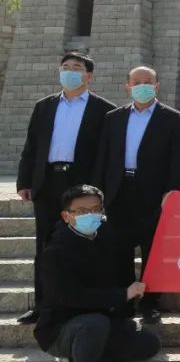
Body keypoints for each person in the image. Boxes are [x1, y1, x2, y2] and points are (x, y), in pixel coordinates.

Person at [16, 52, 115, 325]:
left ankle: (82, 303)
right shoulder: (44, 106)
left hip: (82, 184)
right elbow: (32, 146)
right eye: (65, 67)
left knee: (84, 243)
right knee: (45, 245)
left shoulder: (104, 109)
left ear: (88, 76)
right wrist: (25, 182)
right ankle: (42, 305)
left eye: (77, 67)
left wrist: (97, 189)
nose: (70, 71)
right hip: (48, 182)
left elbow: (105, 153)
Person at [34, 185, 160, 362]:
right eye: (82, 211)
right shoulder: (56, 252)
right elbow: (70, 297)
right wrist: (122, 295)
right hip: (61, 328)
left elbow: (137, 234)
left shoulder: (107, 237)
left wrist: (164, 209)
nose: (90, 215)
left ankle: (79, 360)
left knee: (149, 343)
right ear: (66, 216)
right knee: (93, 324)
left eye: (95, 209)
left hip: (103, 322)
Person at [94, 66, 180, 325]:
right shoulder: (114, 117)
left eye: (148, 81)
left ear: (157, 86)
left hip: (153, 194)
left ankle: (150, 303)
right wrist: (98, 192)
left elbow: (177, 161)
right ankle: (124, 301)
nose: (142, 86)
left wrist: (173, 193)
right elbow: (103, 156)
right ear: (128, 86)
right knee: (119, 251)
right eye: (137, 82)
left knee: (152, 252)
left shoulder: (173, 118)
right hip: (118, 191)